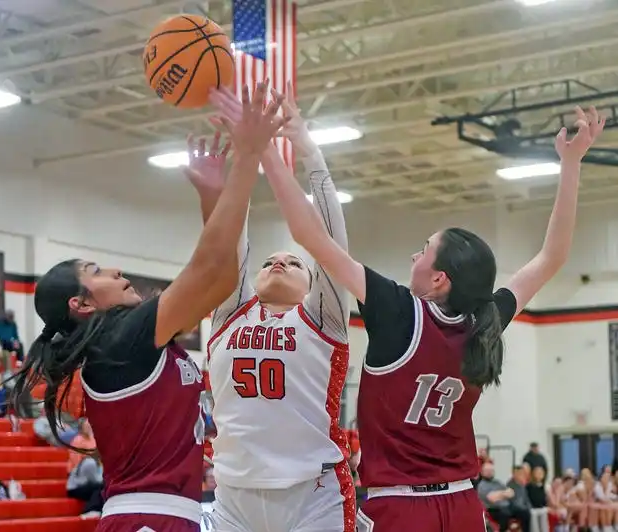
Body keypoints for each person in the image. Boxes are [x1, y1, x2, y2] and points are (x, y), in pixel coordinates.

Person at [256, 94, 605, 532]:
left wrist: (270, 151)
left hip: (401, 509)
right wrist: (571, 164)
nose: (412, 255)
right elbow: (552, 257)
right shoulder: (485, 320)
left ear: (440, 278)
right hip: (462, 505)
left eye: (423, 250)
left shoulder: (399, 311)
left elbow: (310, 235)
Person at [9, 82, 286, 532]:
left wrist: (212, 197)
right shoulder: (122, 338)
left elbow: (221, 279)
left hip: (164, 515)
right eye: (97, 270)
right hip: (147, 518)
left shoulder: (127, 342)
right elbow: (209, 268)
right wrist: (248, 157)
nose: (116, 271)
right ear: (80, 303)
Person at [203, 83, 355, 532]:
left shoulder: (321, 318)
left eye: (293, 261)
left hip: (312, 492)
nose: (278, 262)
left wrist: (310, 152)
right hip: (232, 494)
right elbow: (232, 238)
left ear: (312, 284)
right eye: (269, 260)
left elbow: (329, 245)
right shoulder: (230, 315)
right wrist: (244, 160)